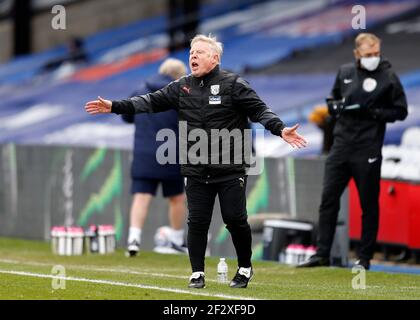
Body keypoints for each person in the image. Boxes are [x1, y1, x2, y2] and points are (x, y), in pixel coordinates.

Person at [85, 34, 307, 289]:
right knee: (197, 222)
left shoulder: (234, 84)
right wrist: (114, 106)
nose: (193, 56)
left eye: (200, 52)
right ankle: (197, 273)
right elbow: (149, 102)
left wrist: (280, 129)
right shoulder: (182, 87)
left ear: (215, 58)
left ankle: (245, 267)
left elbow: (259, 111)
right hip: (196, 168)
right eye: (191, 52)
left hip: (230, 167)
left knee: (235, 219)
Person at [298, 33, 408, 270]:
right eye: (369, 55)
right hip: (341, 146)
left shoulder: (388, 76)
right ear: (357, 54)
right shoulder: (345, 72)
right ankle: (322, 254)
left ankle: (364, 257)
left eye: (376, 53)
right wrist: (334, 107)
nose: (374, 58)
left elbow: (401, 111)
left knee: (368, 204)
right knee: (328, 200)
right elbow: (333, 98)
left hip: (367, 148)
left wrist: (376, 113)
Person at [123, 58, 188, 257]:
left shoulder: (140, 90)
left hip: (143, 154)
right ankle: (176, 240)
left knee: (141, 198)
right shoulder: (179, 94)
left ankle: (133, 240)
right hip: (171, 154)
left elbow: (126, 116)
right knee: (177, 199)